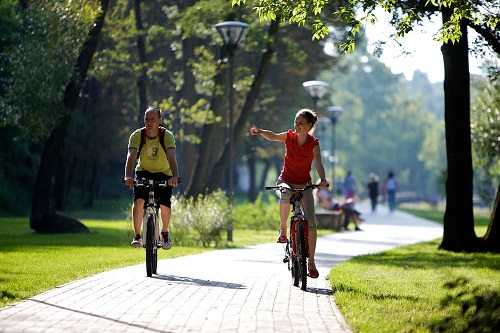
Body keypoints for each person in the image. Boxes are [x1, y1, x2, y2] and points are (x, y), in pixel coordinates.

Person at [250, 108, 328, 279]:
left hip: (304, 183)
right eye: (295, 122)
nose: (297, 125)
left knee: (312, 223)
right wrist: (261, 131)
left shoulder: (314, 143)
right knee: (285, 194)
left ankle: (312, 262)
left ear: (309, 125)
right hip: (286, 180)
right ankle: (283, 229)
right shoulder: (289, 136)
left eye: (301, 123)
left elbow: (319, 163)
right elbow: (272, 136)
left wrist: (322, 179)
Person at [123, 106, 180, 249]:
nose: (149, 122)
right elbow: (131, 156)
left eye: (153, 119)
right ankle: (137, 236)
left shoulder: (167, 136)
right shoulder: (137, 135)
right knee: (139, 201)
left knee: (165, 203)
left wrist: (175, 176)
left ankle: (165, 232)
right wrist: (128, 176)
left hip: (164, 173)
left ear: (160, 120)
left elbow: (171, 156)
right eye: (147, 119)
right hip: (144, 171)